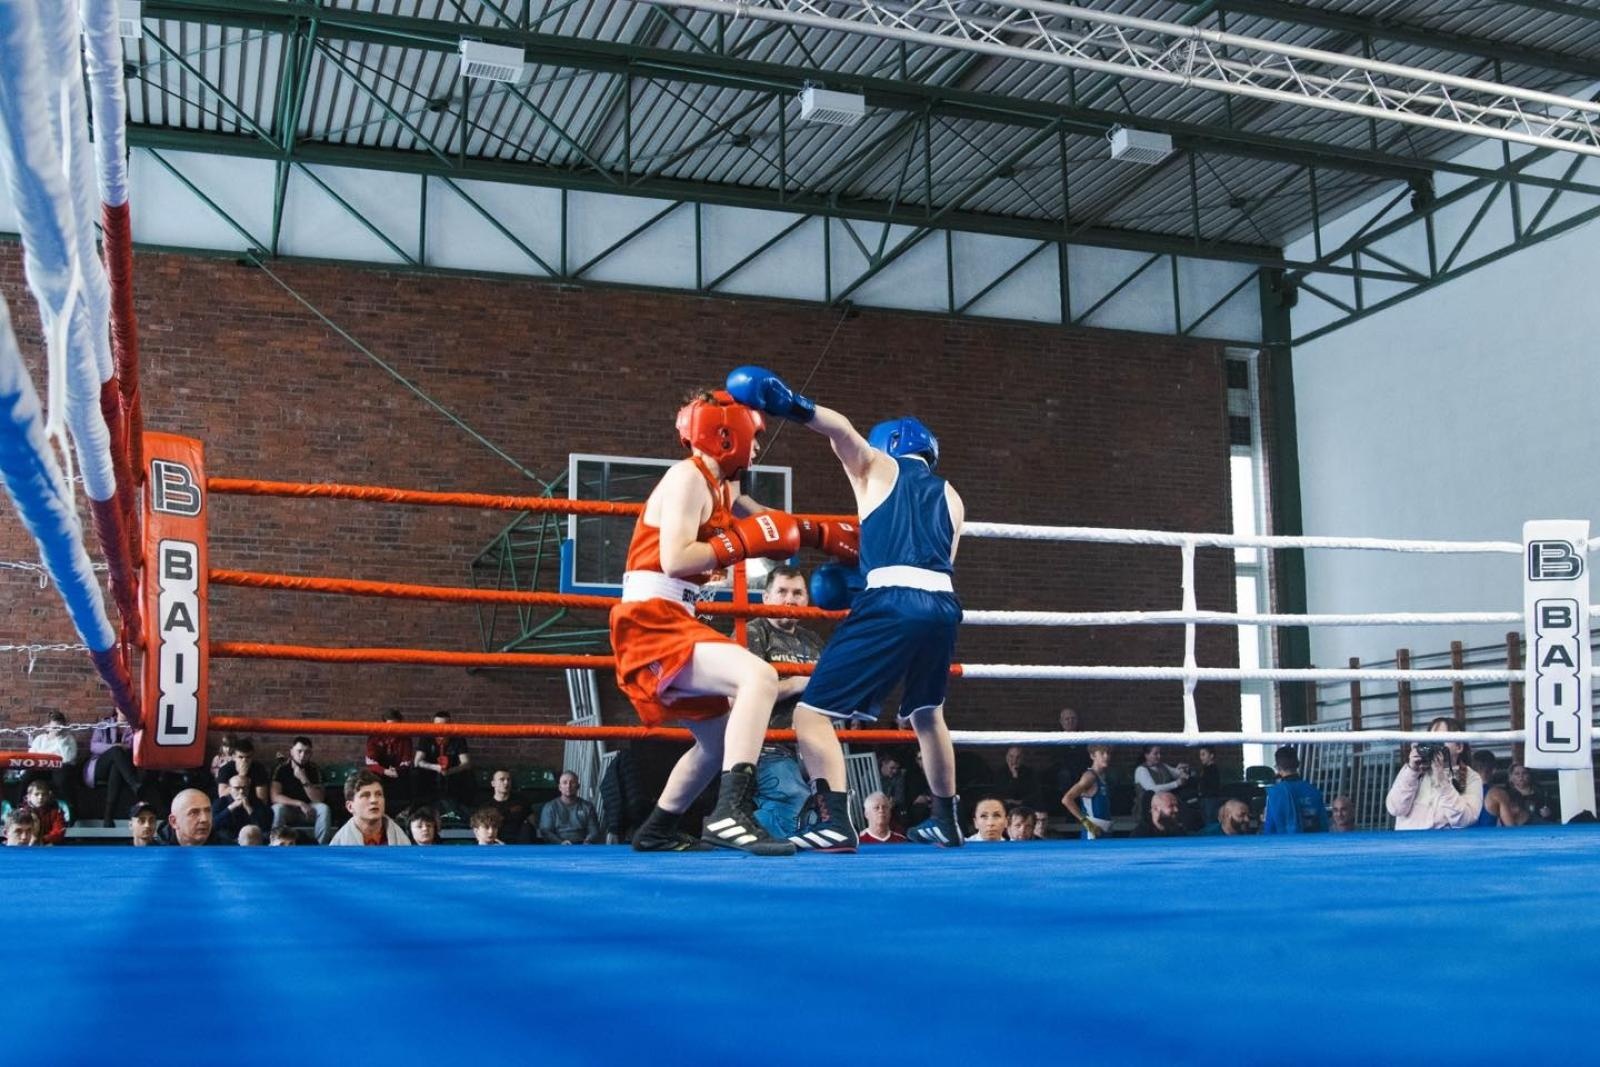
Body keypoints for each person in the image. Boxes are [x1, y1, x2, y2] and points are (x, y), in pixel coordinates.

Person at [728, 367, 964, 850]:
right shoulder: (952, 496)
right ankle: (947, 820)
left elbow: (838, 429)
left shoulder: (877, 466)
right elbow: (935, 564)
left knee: (810, 716)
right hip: (942, 606)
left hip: (891, 602)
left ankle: (834, 819)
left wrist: (791, 404)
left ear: (888, 445)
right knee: (926, 713)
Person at [607, 389, 820, 856]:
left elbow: (758, 518)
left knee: (719, 742)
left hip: (676, 617)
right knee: (759, 676)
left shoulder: (722, 484)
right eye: (754, 435)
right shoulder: (686, 479)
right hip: (652, 620)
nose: (758, 447)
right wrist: (741, 544)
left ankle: (657, 829)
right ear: (728, 434)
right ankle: (729, 814)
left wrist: (813, 535)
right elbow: (676, 558)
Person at [744, 564, 827, 841]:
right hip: (768, 746)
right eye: (782, 591)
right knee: (792, 801)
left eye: (797, 593)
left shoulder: (813, 641)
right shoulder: (754, 633)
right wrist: (796, 683)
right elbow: (739, 698)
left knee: (828, 811)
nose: (790, 599)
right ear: (766, 597)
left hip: (810, 745)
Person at [1385, 718, 1482, 830]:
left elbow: (1465, 820)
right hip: (1409, 843)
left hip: (1443, 844)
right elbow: (1395, 809)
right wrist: (1412, 771)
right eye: (1431, 740)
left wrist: (1441, 780)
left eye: (1441, 740)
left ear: (1459, 747)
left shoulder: (1472, 777)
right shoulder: (1412, 770)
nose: (1434, 745)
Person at [83, 707, 143, 826]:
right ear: (117, 709)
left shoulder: (134, 728)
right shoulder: (104, 725)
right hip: (100, 766)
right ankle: (134, 784)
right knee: (116, 751)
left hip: (121, 767)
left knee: (116, 766)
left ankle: (108, 818)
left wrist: (125, 748)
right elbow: (94, 746)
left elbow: (137, 748)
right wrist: (115, 747)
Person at [271, 737, 332, 844]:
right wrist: (299, 803)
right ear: (291, 751)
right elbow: (275, 797)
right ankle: (276, 843)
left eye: (307, 752)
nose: (303, 755)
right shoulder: (281, 768)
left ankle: (321, 847)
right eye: (299, 751)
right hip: (289, 809)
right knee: (277, 808)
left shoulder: (315, 769)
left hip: (309, 811)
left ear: (311, 754)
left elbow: (319, 799)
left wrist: (303, 778)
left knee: (324, 809)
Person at [414, 712, 474, 818]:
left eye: (444, 725)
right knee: (416, 773)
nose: (441, 728)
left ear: (450, 725)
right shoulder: (426, 737)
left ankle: (457, 812)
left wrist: (451, 771)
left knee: (467, 776)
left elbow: (466, 763)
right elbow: (417, 761)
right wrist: (435, 767)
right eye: (437, 725)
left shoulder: (458, 738)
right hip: (430, 776)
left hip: (453, 776)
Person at [330, 771, 411, 846]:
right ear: (350, 807)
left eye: (378, 794)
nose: (374, 800)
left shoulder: (401, 839)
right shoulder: (338, 844)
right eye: (365, 795)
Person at [1261, 746, 1328, 834]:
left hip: (1285, 845)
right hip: (1312, 844)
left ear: (1277, 768)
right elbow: (1323, 826)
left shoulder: (1274, 794)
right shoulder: (1314, 791)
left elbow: (1269, 829)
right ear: (1298, 764)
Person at [364, 710, 414, 815]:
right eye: (389, 726)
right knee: (370, 777)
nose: (392, 729)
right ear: (383, 724)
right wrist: (384, 771)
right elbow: (370, 761)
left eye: (396, 726)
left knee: (413, 776)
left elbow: (407, 760)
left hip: (398, 774)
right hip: (380, 774)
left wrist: (397, 771)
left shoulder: (405, 738)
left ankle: (403, 813)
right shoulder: (375, 737)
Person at [27, 710, 78, 805]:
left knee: (61, 780)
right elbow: (31, 756)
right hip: (42, 768)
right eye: (54, 727)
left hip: (61, 768)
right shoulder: (40, 739)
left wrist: (60, 739)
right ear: (48, 727)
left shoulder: (69, 739)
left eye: (59, 727)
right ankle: (19, 806)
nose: (57, 729)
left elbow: (67, 759)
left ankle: (68, 808)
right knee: (27, 775)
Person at [537, 771, 603, 845]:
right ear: (559, 787)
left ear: (578, 786)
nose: (568, 786)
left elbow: (594, 831)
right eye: (565, 783)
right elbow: (545, 831)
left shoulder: (587, 807)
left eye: (572, 783)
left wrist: (588, 841)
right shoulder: (550, 807)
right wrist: (560, 842)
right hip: (557, 847)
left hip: (582, 846)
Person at [1063, 744, 1113, 839]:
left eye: (1108, 753)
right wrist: (1086, 822)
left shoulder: (1103, 776)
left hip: (1105, 829)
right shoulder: (1089, 777)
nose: (1106, 756)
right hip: (1093, 831)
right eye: (1102, 753)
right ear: (1092, 756)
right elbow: (1067, 799)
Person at [1132, 745, 1188, 820]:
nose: (1159, 756)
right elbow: (1153, 789)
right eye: (1155, 754)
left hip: (1166, 806)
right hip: (1148, 809)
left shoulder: (1162, 766)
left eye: (1159, 753)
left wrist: (1183, 770)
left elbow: (1177, 773)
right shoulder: (1141, 770)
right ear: (1146, 755)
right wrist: (1176, 783)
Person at [212, 772, 272, 841]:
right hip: (229, 838)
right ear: (230, 789)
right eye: (237, 788)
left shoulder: (256, 802)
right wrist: (231, 807)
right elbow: (213, 824)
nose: (241, 791)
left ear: (249, 789)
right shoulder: (220, 802)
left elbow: (264, 826)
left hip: (251, 837)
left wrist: (249, 808)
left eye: (244, 788)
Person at [1471, 752, 1525, 828]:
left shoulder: (1459, 793)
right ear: (1494, 770)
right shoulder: (1497, 794)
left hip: (1459, 839)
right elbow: (1511, 829)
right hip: (1488, 839)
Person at [484, 769, 532, 844]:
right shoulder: (486, 807)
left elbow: (532, 823)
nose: (506, 782)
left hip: (521, 847)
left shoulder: (522, 802)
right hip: (497, 846)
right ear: (493, 783)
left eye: (508, 780)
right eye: (502, 779)